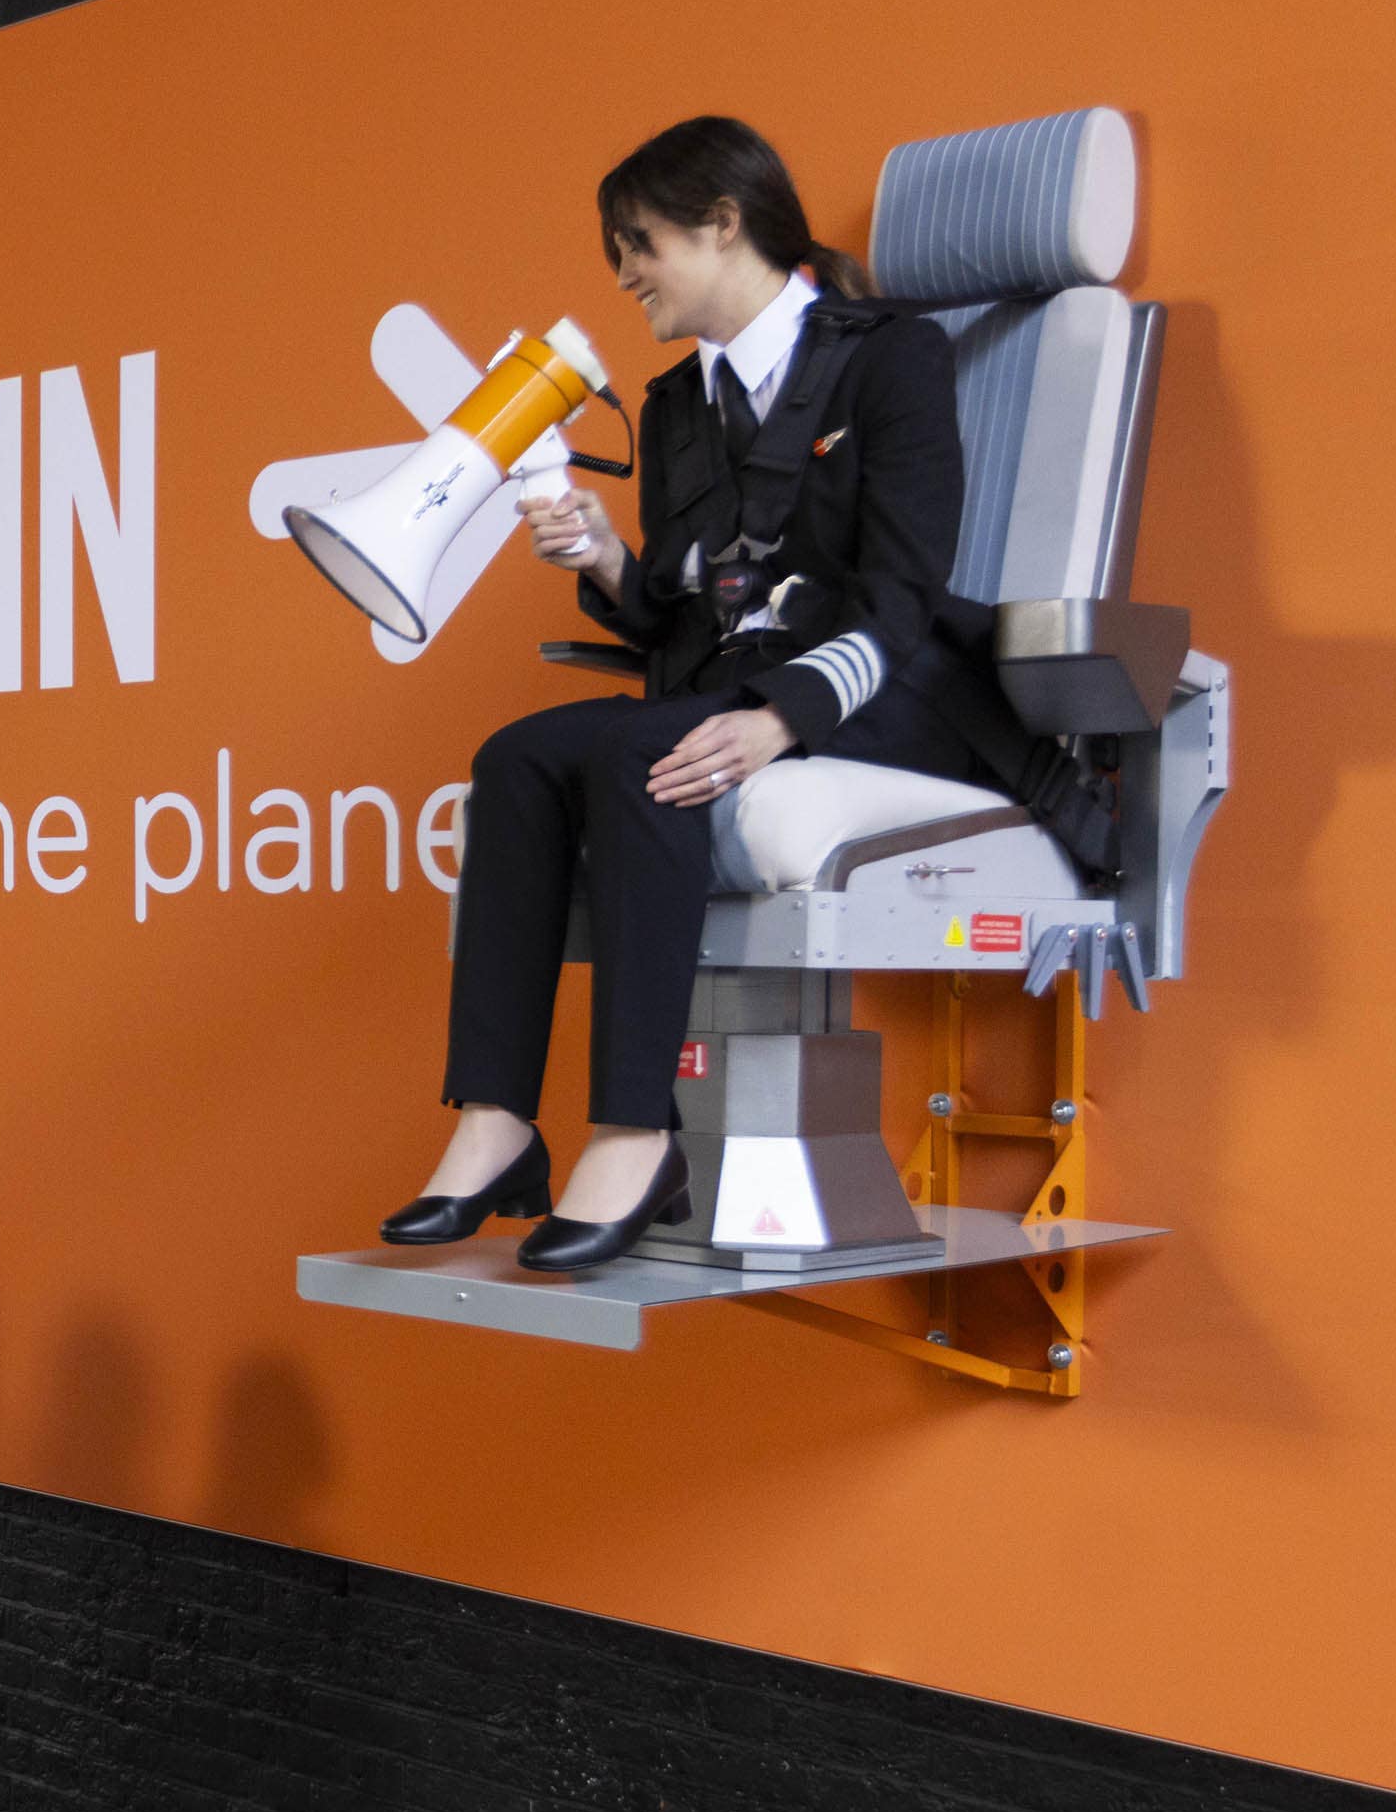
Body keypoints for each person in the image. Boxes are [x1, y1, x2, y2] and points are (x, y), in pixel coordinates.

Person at [385, 114, 996, 1272]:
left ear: (723, 224)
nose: (621, 273)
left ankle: (632, 1131)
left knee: (635, 760)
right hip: (725, 688)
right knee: (515, 757)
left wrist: (780, 720)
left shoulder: (888, 357)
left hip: (878, 696)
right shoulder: (676, 406)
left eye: (638, 241)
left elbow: (906, 592)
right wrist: (605, 559)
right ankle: (496, 1120)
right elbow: (688, 605)